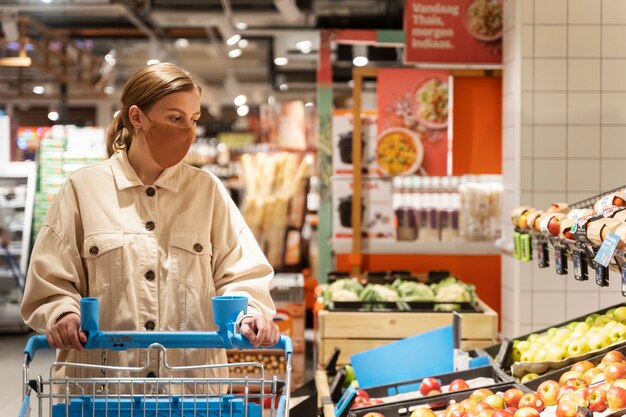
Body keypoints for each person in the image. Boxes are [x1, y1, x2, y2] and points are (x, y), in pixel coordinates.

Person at [20, 63, 280, 385]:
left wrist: (250, 314)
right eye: (175, 118)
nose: (187, 130)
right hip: (105, 389)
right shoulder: (83, 190)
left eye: (193, 120)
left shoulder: (207, 192)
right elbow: (51, 280)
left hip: (191, 390)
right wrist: (62, 313)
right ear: (137, 117)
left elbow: (242, 272)